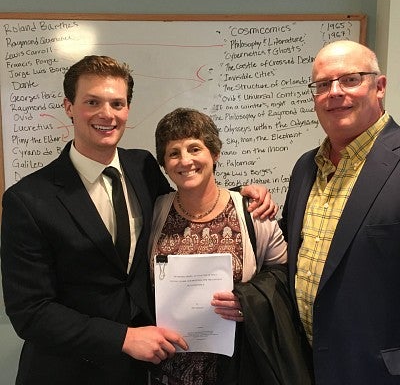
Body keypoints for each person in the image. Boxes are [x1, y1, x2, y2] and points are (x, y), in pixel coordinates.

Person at [0, 55, 276, 385]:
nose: (107, 114)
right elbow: (30, 311)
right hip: (68, 371)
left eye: (117, 103)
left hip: (142, 372)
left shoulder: (142, 167)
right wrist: (123, 339)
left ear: (127, 110)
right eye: (92, 102)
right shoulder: (27, 199)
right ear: (69, 106)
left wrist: (242, 195)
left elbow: (185, 203)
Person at [148, 107, 313, 385]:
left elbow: (285, 273)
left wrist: (248, 300)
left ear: (214, 153)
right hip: (170, 368)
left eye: (194, 148)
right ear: (164, 164)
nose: (185, 160)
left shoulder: (251, 213)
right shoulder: (154, 212)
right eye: (173, 153)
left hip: (239, 368)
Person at [279, 40, 400, 384]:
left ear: (379, 86)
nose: (334, 93)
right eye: (322, 85)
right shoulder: (306, 167)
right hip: (306, 365)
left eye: (350, 80)